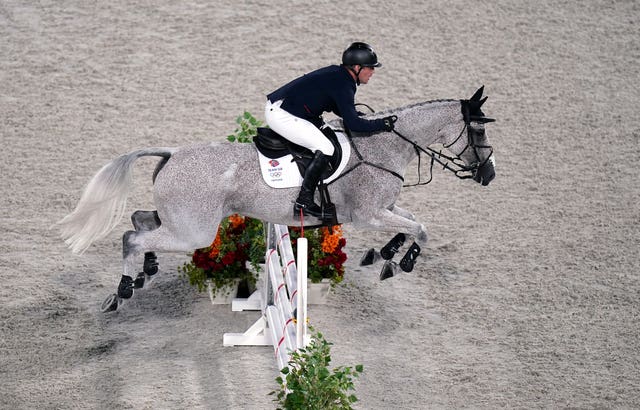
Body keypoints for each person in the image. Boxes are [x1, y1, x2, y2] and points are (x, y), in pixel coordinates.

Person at [265, 42, 397, 220]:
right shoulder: (344, 84)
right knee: (326, 148)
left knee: (329, 137)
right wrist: (381, 124)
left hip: (294, 110)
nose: (372, 72)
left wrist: (357, 115)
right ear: (357, 68)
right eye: (370, 68)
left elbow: (339, 108)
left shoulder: (340, 76)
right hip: (282, 115)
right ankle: (304, 201)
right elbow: (354, 125)